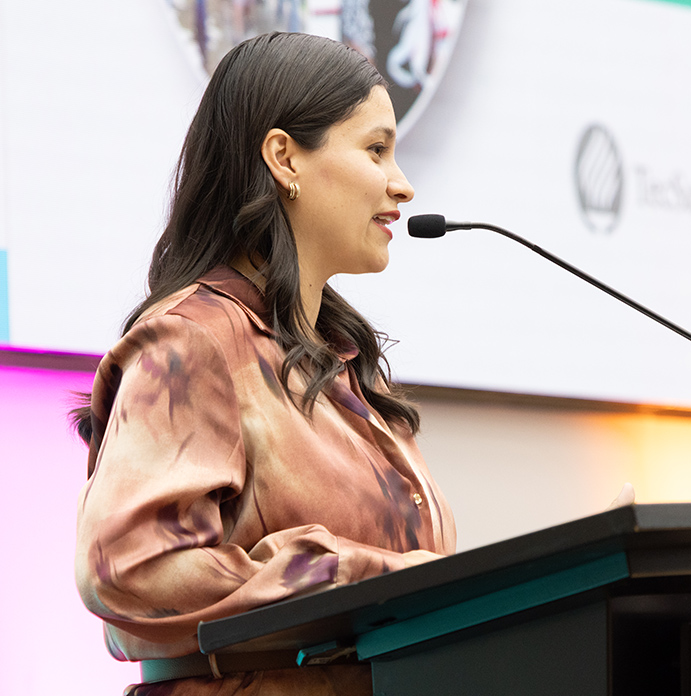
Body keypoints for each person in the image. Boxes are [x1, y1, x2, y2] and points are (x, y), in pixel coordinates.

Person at [73, 32, 456, 696]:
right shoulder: (194, 342)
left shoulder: (349, 365)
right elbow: (127, 569)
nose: (403, 183)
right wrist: (350, 575)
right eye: (375, 150)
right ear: (284, 158)